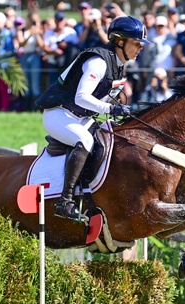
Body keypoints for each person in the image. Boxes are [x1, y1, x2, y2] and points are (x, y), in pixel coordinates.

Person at [35, 15, 149, 221]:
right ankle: (65, 202)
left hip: (80, 117)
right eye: (136, 43)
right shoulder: (98, 62)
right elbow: (81, 97)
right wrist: (111, 108)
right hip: (59, 114)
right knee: (84, 141)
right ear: (120, 41)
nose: (140, 47)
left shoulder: (119, 65)